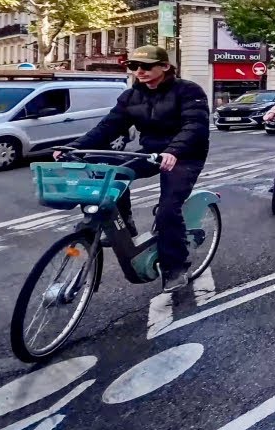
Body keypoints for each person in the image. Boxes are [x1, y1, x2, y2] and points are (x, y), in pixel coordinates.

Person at [63, 46, 210, 292]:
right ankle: (125, 221)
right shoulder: (132, 96)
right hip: (149, 152)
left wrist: (173, 151)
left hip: (185, 156)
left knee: (168, 210)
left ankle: (175, 267)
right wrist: (72, 147)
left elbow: (195, 126)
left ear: (165, 67)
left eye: (145, 66)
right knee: (109, 171)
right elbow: (108, 127)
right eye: (133, 66)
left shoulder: (188, 90)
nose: (139, 71)